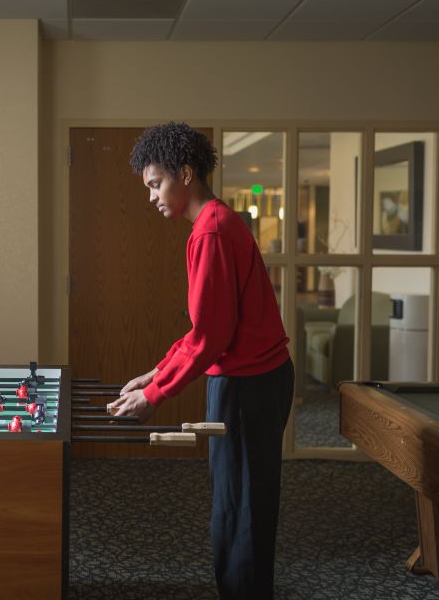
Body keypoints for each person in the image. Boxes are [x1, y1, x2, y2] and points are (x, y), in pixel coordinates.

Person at [107, 122, 294, 599]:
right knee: (235, 505)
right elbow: (204, 331)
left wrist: (156, 395)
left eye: (155, 184)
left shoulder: (210, 230)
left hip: (248, 386)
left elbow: (211, 337)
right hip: (250, 380)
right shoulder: (216, 223)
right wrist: (155, 372)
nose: (151, 196)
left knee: (243, 511)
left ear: (185, 173)